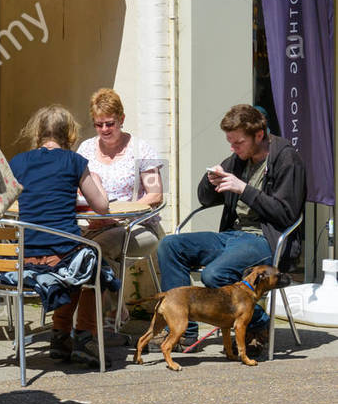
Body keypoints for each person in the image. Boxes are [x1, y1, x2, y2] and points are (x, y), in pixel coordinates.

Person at [155, 103, 306, 353]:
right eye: (230, 143)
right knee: (171, 246)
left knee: (214, 275)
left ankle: (258, 321)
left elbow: (286, 213)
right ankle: (184, 330)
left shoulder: (287, 159)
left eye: (238, 143)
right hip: (231, 236)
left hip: (265, 238)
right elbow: (206, 199)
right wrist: (210, 180)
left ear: (259, 135)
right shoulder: (238, 160)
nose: (233, 149)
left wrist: (243, 189)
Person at [0, 106, 112, 363]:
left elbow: (3, 202)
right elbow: (101, 207)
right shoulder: (74, 162)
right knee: (94, 264)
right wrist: (98, 183)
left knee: (77, 261)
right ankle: (85, 336)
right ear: (70, 134)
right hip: (61, 256)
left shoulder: (18, 162)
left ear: (37, 132)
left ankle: (60, 335)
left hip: (27, 258)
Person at [76, 88, 165, 318]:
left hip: (137, 226)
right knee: (69, 249)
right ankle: (96, 315)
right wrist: (92, 217)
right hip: (94, 224)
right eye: (99, 124)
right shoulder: (86, 149)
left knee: (97, 251)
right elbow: (77, 190)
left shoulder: (140, 149)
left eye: (110, 123)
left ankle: (107, 315)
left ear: (122, 120)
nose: (104, 130)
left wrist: (121, 217)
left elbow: (155, 195)